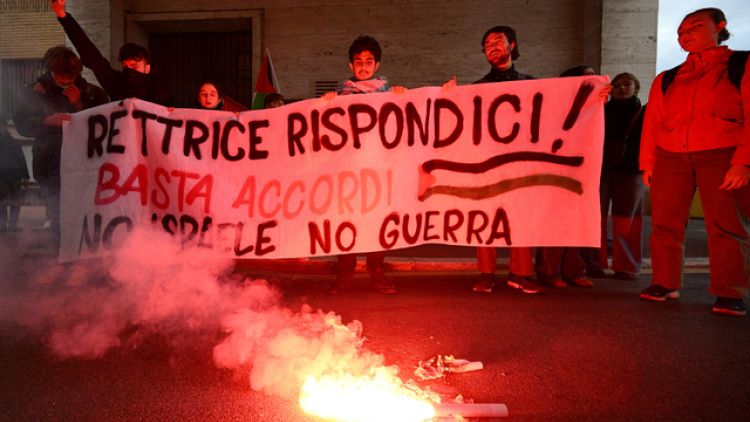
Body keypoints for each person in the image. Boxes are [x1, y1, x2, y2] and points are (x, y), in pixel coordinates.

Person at [639, 8, 750, 317]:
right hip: (671, 155)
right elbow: (653, 124)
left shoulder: (741, 65)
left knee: (727, 225)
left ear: (721, 27)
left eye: (694, 27)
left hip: (722, 152)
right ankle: (664, 282)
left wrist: (744, 162)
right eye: (680, 31)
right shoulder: (669, 77)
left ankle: (729, 292)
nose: (684, 35)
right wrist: (648, 163)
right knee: (665, 223)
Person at [324, 35, 404, 295]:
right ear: (351, 67)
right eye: (358, 62)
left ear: (377, 65)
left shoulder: (390, 94)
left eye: (369, 61)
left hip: (379, 170)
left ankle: (376, 272)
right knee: (344, 221)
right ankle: (345, 273)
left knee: (377, 222)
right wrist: (325, 104)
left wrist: (403, 99)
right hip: (347, 170)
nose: (363, 66)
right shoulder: (340, 96)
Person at [466, 25, 541, 295]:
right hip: (488, 165)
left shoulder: (532, 85)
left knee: (521, 218)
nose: (492, 46)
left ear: (513, 44)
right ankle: (487, 274)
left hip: (520, 163)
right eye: (487, 44)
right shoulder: (475, 90)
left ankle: (520, 274)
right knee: (486, 219)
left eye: (498, 41)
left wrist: (594, 96)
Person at [13, 46, 108, 245]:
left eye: (70, 75)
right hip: (49, 159)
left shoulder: (92, 92)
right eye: (59, 75)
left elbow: (104, 125)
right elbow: (22, 125)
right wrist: (46, 120)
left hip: (85, 160)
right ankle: (64, 252)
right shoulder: (34, 92)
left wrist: (79, 106)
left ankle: (86, 250)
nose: (65, 80)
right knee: (56, 207)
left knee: (86, 206)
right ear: (50, 70)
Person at [534, 66, 597, 289]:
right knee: (554, 222)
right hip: (554, 170)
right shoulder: (553, 108)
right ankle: (549, 271)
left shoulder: (595, 108)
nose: (593, 78)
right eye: (587, 76)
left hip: (582, 169)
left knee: (577, 222)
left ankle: (574, 269)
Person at [50, 0, 174, 106]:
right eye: (126, 67)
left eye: (135, 67)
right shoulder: (116, 83)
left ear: (147, 68)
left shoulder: (161, 88)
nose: (130, 72)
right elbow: (90, 53)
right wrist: (63, 16)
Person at [588, 72, 645, 281]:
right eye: (617, 85)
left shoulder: (643, 112)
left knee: (628, 221)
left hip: (631, 172)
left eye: (627, 84)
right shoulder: (600, 111)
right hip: (601, 172)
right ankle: (594, 263)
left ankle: (626, 266)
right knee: (596, 220)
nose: (622, 88)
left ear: (636, 87)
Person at [0, 119, 30, 232]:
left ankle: (13, 225)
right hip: (1, 177)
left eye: (1, 125)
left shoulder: (14, 142)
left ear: (5, 126)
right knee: (2, 202)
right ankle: (2, 225)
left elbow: (21, 159)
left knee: (15, 202)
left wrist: (26, 176)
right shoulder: (13, 142)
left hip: (14, 176)